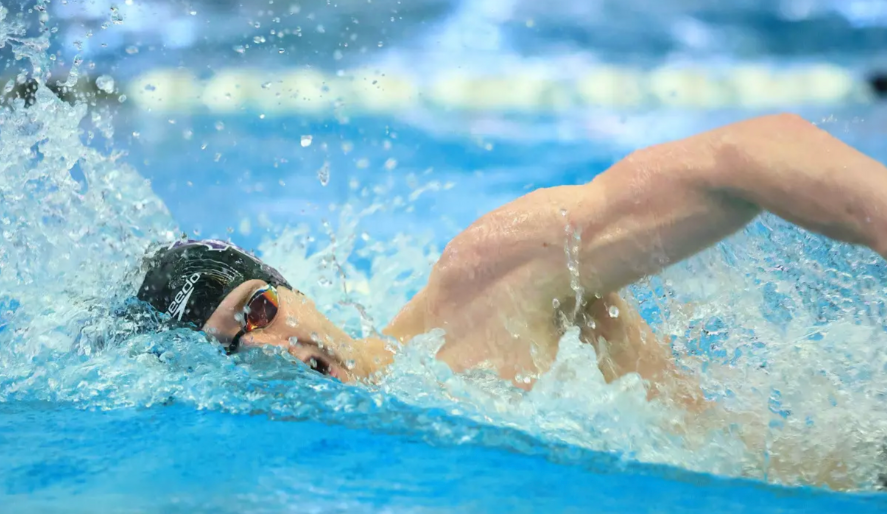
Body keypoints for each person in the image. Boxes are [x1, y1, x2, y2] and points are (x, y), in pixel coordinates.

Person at [135, 113, 887, 488]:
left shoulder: (482, 285)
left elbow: (744, 152)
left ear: (290, 289)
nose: (271, 349)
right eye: (233, 349)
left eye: (258, 311)